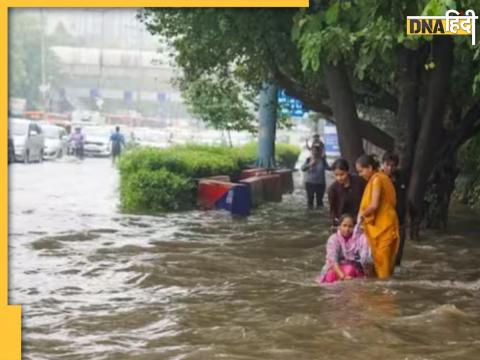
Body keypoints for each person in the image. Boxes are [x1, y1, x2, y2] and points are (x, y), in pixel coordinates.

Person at [356, 154, 399, 279]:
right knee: (382, 262)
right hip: (387, 222)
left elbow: (374, 205)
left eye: (361, 171)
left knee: (382, 265)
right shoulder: (383, 178)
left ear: (369, 167)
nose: (360, 174)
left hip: (383, 225)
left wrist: (361, 215)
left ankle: (384, 294)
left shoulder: (376, 180)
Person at [316, 214, 371, 284]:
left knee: (350, 270)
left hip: (354, 268)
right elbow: (332, 261)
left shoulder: (360, 238)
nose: (347, 229)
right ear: (339, 226)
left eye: (350, 226)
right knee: (331, 275)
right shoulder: (333, 239)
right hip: (335, 268)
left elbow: (365, 259)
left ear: (354, 227)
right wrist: (343, 276)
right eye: (344, 225)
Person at [382, 152, 408, 266]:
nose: (390, 168)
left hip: (399, 220)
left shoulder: (401, 178)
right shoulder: (378, 179)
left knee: (397, 254)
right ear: (382, 164)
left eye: (392, 165)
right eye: (387, 165)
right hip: (383, 222)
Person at [327, 158, 366, 226]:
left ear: (347, 171)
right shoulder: (333, 189)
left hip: (360, 220)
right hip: (344, 223)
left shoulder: (359, 182)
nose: (339, 178)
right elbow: (333, 210)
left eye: (342, 174)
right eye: (336, 175)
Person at [301, 145, 329, 209]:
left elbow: (328, 168)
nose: (314, 152)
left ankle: (319, 215)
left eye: (316, 151)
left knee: (320, 201)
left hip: (320, 183)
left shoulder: (322, 160)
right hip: (310, 183)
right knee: (310, 200)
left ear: (319, 152)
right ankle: (310, 214)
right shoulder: (308, 159)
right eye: (313, 151)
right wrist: (310, 164)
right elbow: (302, 168)